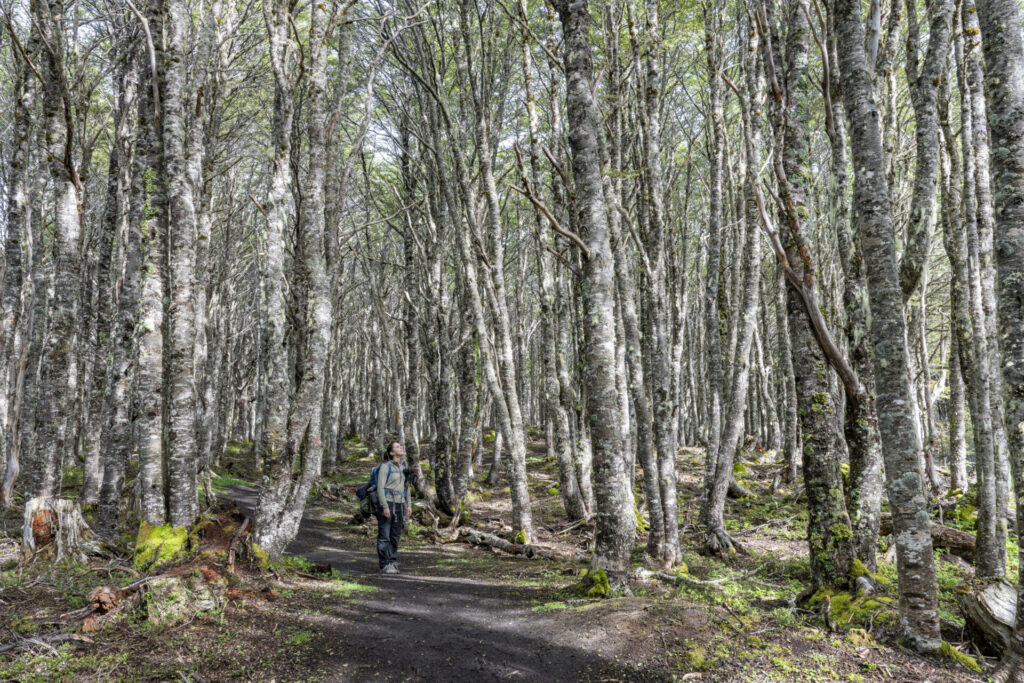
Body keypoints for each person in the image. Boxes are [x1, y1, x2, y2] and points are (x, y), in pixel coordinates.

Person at [375, 441, 416, 574]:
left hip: (399, 504)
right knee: (384, 535)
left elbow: (407, 487)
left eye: (401, 446)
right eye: (397, 447)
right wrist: (384, 506)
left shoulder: (403, 467)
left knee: (395, 535)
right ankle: (384, 564)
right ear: (391, 452)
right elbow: (380, 488)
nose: (401, 448)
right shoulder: (385, 467)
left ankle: (392, 561)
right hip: (387, 503)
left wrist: (408, 504)